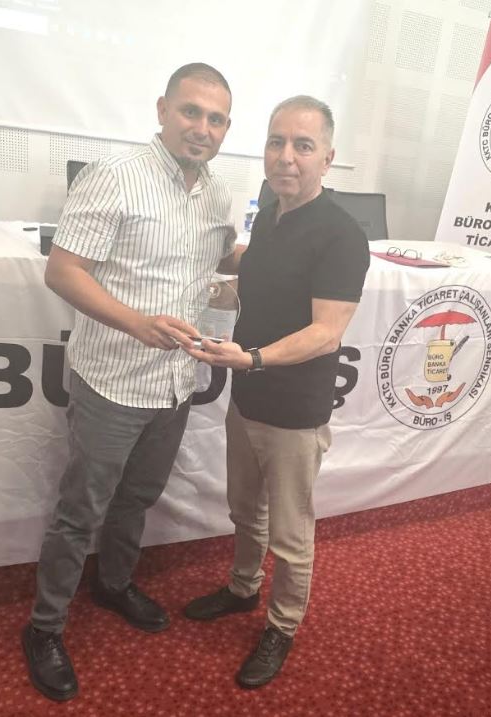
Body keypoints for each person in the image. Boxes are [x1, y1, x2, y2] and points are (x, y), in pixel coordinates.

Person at [22, 63, 236, 702]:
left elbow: (216, 266)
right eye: (191, 111)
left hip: (174, 383)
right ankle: (44, 627)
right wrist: (137, 323)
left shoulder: (218, 194)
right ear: (163, 109)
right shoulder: (115, 175)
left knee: (137, 498)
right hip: (113, 381)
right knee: (80, 512)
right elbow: (63, 271)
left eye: (216, 119)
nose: (202, 128)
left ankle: (113, 584)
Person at [183, 96, 370, 688]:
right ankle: (243, 589)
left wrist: (254, 358)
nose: (286, 156)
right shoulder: (269, 213)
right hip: (248, 394)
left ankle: (282, 626)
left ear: (327, 158)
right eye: (276, 142)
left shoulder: (342, 235)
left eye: (303, 145)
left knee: (290, 534)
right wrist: (205, 288)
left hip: (293, 409)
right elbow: (259, 286)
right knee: (244, 509)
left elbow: (326, 332)